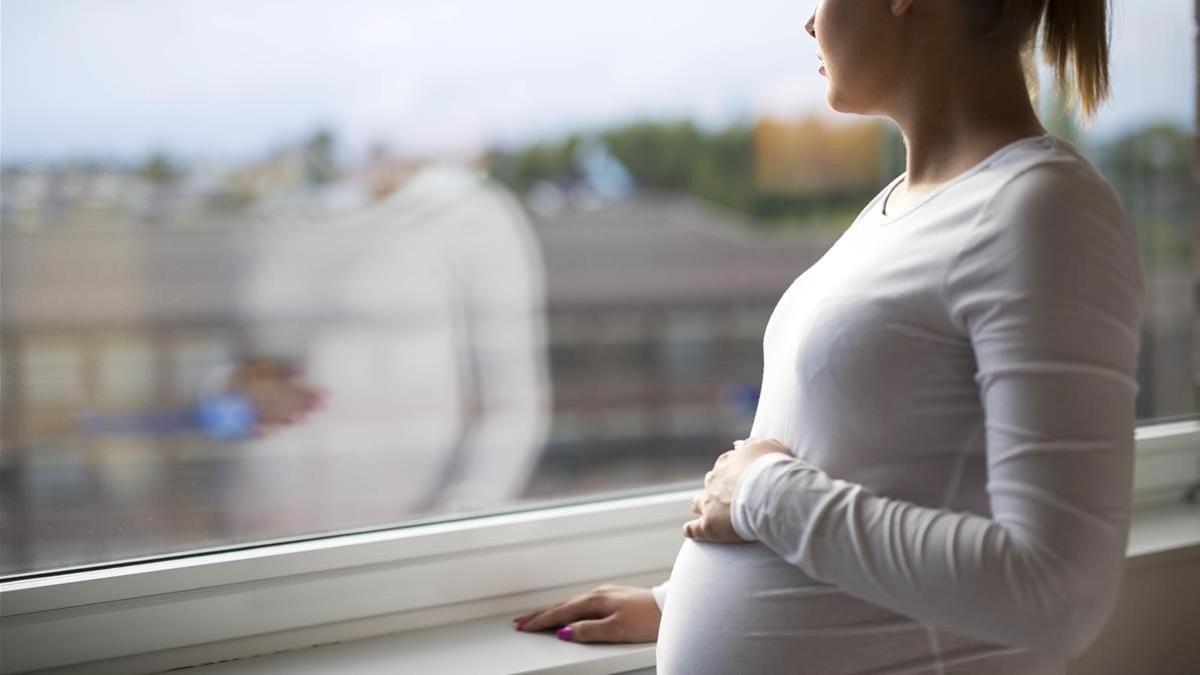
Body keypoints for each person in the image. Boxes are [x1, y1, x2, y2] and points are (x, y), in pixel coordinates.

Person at [511, 1, 1144, 673]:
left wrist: (761, 494)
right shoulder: (903, 205)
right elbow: (886, 467)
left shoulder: (1046, 212)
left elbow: (1057, 592)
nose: (809, 22)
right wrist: (677, 600)